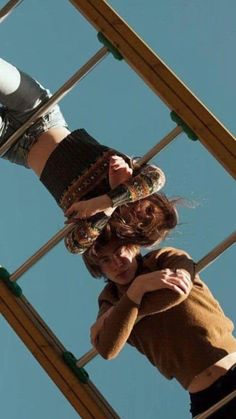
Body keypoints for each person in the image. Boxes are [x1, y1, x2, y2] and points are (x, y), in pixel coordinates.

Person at [0, 57, 179, 253]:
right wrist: (108, 199)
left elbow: (75, 245)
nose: (140, 213)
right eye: (149, 211)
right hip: (40, 112)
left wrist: (103, 208)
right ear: (153, 199)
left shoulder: (95, 220)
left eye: (142, 223)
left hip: (11, 145)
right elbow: (157, 177)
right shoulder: (135, 172)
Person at [83, 230, 236, 418]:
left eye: (119, 251)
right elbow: (107, 348)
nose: (117, 264)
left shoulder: (163, 258)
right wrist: (137, 290)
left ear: (133, 246)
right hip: (203, 397)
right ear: (100, 269)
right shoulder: (110, 299)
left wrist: (126, 311)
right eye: (105, 260)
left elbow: (178, 290)